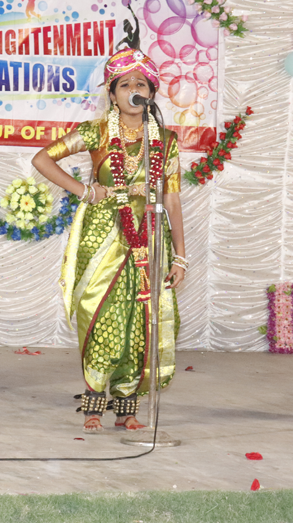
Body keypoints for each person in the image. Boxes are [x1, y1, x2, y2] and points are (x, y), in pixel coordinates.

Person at [32, 47, 187, 432]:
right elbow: (42, 159)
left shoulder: (166, 140)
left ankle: (127, 409)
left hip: (149, 236)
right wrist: (85, 191)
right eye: (125, 84)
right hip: (103, 234)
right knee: (100, 315)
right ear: (113, 94)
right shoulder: (97, 132)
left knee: (140, 323)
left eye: (141, 84)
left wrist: (180, 257)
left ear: (151, 93)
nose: (134, 89)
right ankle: (93, 404)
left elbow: (171, 199)